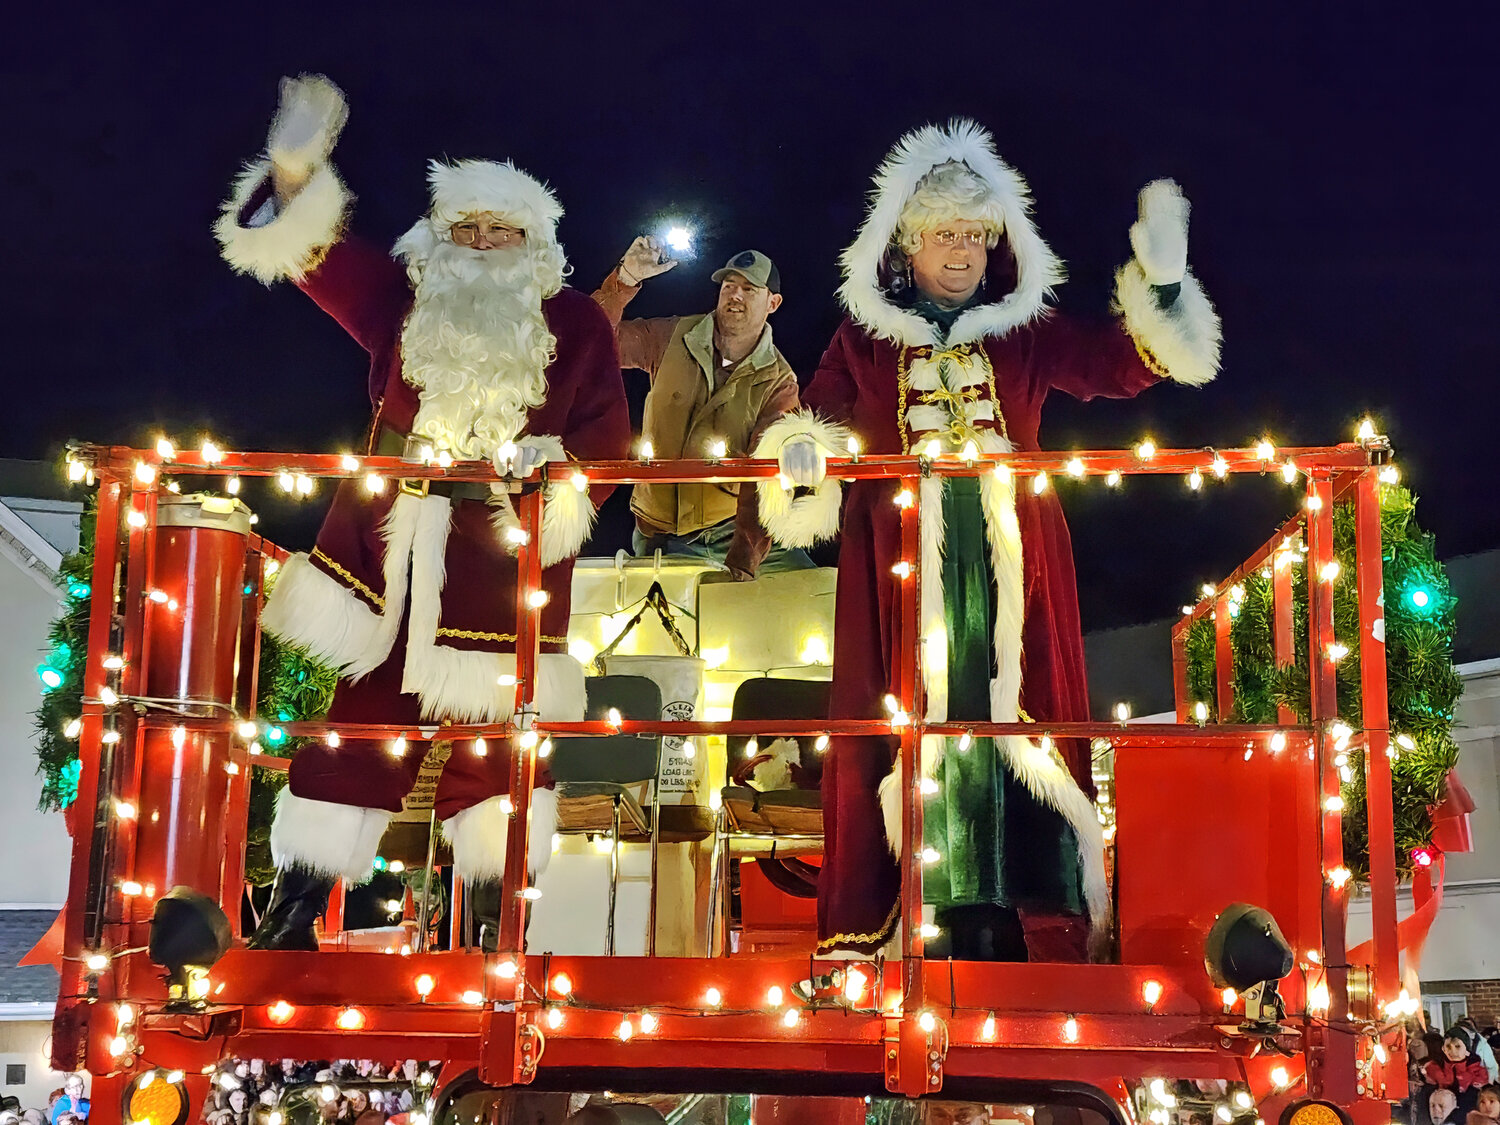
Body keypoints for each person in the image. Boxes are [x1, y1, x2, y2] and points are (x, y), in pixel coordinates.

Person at [755, 119, 1221, 960]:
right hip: (901, 566)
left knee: (1013, 710)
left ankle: (1015, 904)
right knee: (912, 716)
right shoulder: (864, 336)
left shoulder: (1024, 331)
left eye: (975, 233)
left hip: (1013, 560)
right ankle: (918, 904)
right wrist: (802, 450)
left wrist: (1163, 285)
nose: (963, 250)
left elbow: (1121, 366)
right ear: (907, 244)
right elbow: (813, 419)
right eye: (945, 234)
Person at [215, 75, 631, 950]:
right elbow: (313, 252)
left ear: (534, 243)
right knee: (356, 724)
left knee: (497, 741)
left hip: (501, 557)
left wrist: (552, 476)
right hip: (393, 555)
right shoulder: (407, 301)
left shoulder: (579, 326)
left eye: (501, 231)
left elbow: (608, 452)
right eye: (466, 230)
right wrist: (294, 171)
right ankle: (296, 904)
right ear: (440, 238)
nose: (481, 246)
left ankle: (490, 920)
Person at [593, 240, 808, 579]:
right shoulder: (672, 336)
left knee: (812, 591)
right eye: (728, 286)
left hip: (732, 530)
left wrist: (743, 561)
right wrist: (625, 280)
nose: (735, 295)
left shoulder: (778, 381)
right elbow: (591, 339)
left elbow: (766, 478)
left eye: (749, 289)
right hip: (663, 534)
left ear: (773, 302)